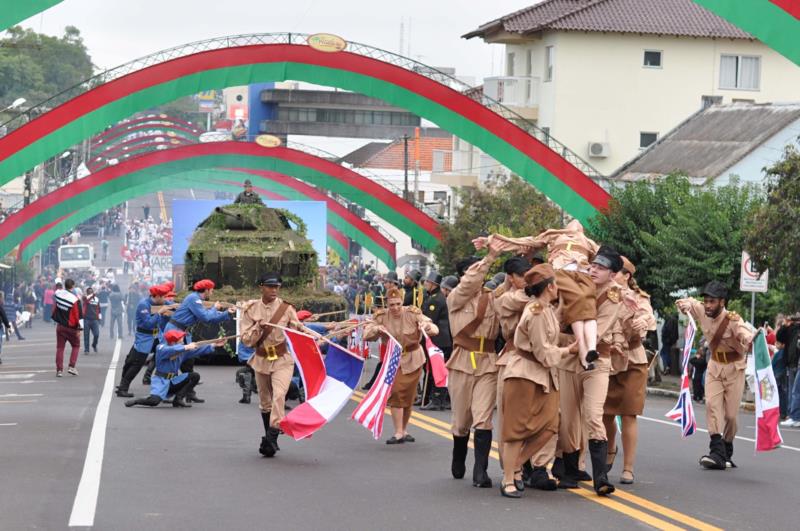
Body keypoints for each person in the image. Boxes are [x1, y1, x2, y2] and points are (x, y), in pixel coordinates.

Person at [475, 221, 601, 371]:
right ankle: (583, 349)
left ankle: (588, 350)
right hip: (524, 356)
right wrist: (491, 240)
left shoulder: (588, 243)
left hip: (580, 276)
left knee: (585, 305)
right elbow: (526, 241)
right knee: (578, 303)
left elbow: (607, 264)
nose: (575, 226)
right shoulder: (554, 235)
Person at [500, 263, 575, 498]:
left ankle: (515, 466)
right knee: (516, 429)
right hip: (525, 373)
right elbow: (544, 353)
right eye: (556, 284)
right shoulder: (537, 312)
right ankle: (508, 479)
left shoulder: (546, 309)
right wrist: (569, 350)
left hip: (542, 375)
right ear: (550, 287)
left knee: (550, 425)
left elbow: (550, 340)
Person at [556, 246, 624, 495]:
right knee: (567, 417)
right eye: (593, 265)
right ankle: (570, 471)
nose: (594, 270)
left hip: (597, 361)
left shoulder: (613, 296)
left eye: (602, 268)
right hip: (568, 358)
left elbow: (602, 329)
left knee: (594, 415)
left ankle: (601, 477)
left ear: (613, 274)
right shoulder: (576, 284)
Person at [677, 280, 755, 469]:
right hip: (714, 366)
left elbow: (745, 334)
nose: (708, 305)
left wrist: (752, 340)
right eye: (706, 301)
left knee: (730, 416)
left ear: (722, 302)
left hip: (734, 368)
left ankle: (726, 447)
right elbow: (686, 302)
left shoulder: (733, 320)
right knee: (712, 405)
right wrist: (684, 304)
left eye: (713, 301)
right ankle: (716, 451)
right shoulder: (702, 309)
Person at [447, 240, 503, 489]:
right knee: (461, 421)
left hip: (488, 362)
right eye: (475, 272)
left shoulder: (490, 298)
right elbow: (470, 283)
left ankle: (481, 471)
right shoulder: (456, 298)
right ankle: (459, 457)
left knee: (483, 419)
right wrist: (489, 257)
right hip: (461, 361)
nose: (480, 278)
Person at [602, 256, 656, 485]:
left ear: (627, 276)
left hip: (632, 360)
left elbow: (647, 316)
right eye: (610, 270)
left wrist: (641, 322)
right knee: (605, 414)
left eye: (617, 271)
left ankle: (628, 468)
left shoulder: (638, 298)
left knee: (629, 413)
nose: (613, 274)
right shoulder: (603, 294)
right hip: (608, 359)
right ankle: (609, 449)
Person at [240, 272, 305, 457]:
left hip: (282, 360)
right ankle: (270, 438)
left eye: (277, 286)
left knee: (279, 396)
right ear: (261, 287)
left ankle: (272, 434)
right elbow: (246, 341)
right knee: (265, 402)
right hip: (261, 360)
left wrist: (302, 329)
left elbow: (296, 329)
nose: (274, 290)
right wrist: (257, 328)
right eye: (270, 286)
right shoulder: (250, 310)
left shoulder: (286, 308)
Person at [363, 287, 438, 444]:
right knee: (396, 393)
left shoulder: (412, 313)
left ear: (402, 302)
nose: (395, 308)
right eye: (391, 305)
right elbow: (366, 334)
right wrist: (376, 329)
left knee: (409, 398)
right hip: (393, 360)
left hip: (413, 359)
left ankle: (404, 430)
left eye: (398, 304)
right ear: (387, 305)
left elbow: (434, 329)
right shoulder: (381, 316)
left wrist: (426, 326)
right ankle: (398, 432)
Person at [162, 279, 234, 403]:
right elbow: (206, 317)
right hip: (175, 331)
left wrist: (227, 313)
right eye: (211, 290)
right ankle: (166, 392)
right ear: (206, 290)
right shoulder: (193, 299)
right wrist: (214, 307)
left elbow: (210, 317)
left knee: (188, 362)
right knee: (173, 361)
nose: (212, 292)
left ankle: (188, 393)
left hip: (182, 331)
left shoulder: (196, 300)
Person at [125, 330, 225, 408]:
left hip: (173, 380)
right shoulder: (161, 348)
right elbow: (171, 350)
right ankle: (137, 400)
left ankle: (178, 399)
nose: (183, 340)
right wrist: (186, 347)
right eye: (180, 339)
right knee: (154, 401)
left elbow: (198, 350)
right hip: (161, 381)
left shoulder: (181, 349)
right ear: (173, 342)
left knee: (194, 376)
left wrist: (214, 344)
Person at [116, 285, 170, 398]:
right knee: (135, 363)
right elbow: (148, 323)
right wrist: (159, 313)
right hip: (144, 337)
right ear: (158, 296)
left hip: (156, 337)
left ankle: (122, 385)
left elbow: (172, 307)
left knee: (131, 360)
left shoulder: (161, 304)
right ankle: (123, 388)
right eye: (164, 296)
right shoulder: (143, 304)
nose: (166, 299)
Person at [420, 271, 451, 411]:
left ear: (433, 284)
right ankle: (430, 397)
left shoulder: (435, 300)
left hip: (438, 340)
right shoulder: (434, 297)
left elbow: (429, 321)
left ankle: (436, 399)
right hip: (440, 340)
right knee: (433, 370)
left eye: (427, 282)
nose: (425, 283)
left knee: (435, 371)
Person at [52, 279, 83, 377]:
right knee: (76, 346)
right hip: (71, 327)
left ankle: (59, 370)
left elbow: (56, 290)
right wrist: (80, 329)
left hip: (60, 326)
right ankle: (72, 366)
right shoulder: (75, 299)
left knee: (60, 348)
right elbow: (79, 315)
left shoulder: (59, 294)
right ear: (73, 286)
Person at [778, 314, 800, 428]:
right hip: (792, 363)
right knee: (793, 390)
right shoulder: (791, 329)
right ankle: (792, 415)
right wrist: (784, 326)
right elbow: (779, 337)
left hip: (796, 363)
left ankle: (794, 416)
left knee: (795, 391)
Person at [82, 287, 101, 354]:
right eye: (89, 291)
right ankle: (86, 350)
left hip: (94, 319)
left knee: (96, 334)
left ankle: (94, 345)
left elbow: (99, 309)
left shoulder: (96, 299)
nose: (90, 292)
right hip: (86, 319)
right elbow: (86, 300)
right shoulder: (85, 298)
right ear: (87, 292)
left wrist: (99, 318)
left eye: (91, 291)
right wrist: (93, 295)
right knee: (86, 335)